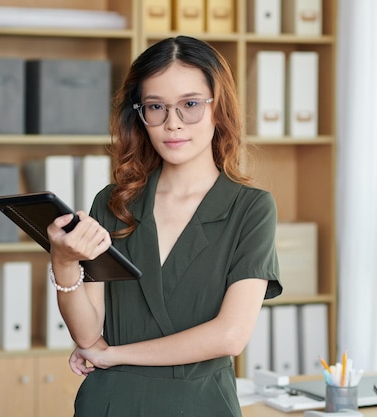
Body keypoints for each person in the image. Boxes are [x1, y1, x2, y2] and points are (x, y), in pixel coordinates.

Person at [46, 35, 282, 417]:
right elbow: (88, 334)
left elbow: (230, 335)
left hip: (200, 404)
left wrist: (113, 355)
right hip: (109, 403)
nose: (172, 124)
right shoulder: (113, 203)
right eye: (156, 107)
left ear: (218, 110)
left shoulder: (250, 209)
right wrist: (63, 262)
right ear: (140, 115)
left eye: (190, 105)